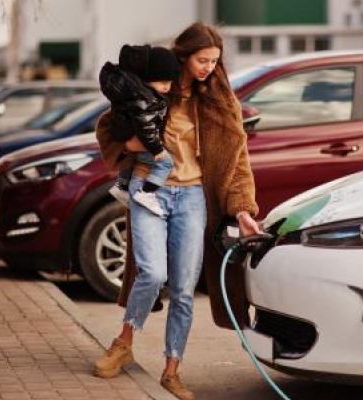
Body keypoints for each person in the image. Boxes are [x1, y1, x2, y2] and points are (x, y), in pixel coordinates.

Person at [93, 22, 262, 400]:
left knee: (184, 289)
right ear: (184, 57)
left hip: (192, 198)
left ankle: (172, 370)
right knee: (151, 273)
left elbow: (238, 163)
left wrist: (243, 209)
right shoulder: (153, 85)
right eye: (202, 60)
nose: (208, 68)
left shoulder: (219, 101)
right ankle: (124, 341)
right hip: (148, 189)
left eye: (214, 62)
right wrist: (130, 144)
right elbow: (108, 126)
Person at [100, 44, 180, 217]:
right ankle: (147, 193)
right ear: (148, 79)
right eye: (163, 82)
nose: (168, 87)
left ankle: (121, 186)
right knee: (166, 163)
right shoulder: (147, 100)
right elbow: (146, 126)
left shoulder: (136, 93)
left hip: (126, 134)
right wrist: (157, 148)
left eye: (170, 83)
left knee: (130, 160)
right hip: (145, 143)